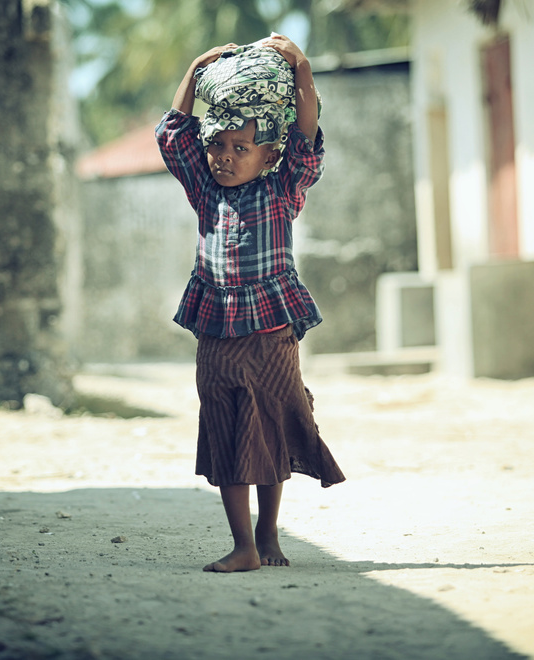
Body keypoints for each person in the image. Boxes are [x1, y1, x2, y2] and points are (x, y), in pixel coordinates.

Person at [155, 35, 345, 573]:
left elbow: (307, 133)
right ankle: (243, 546)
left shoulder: (284, 189)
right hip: (217, 329)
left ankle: (268, 537)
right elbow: (173, 135)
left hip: (271, 333)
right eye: (219, 146)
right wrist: (196, 68)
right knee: (226, 429)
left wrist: (301, 67)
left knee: (272, 430)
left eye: (241, 149)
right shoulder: (203, 189)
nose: (224, 157)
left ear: (269, 156)